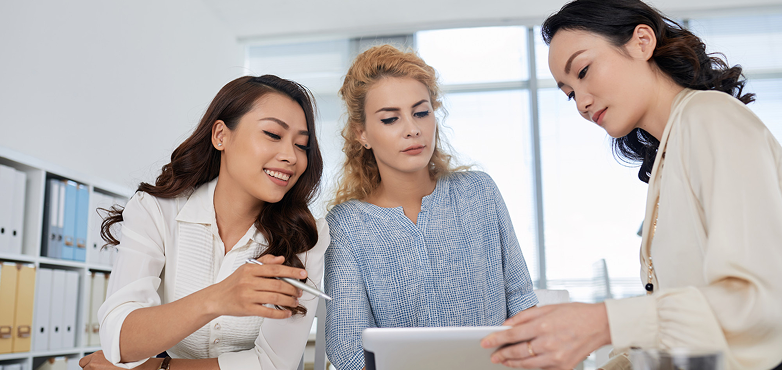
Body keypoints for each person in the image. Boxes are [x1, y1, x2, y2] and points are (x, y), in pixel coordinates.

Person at [480, 1, 782, 369]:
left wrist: (603, 322)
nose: (582, 103)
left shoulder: (711, 118)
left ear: (641, 42)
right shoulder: (668, 157)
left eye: (584, 70)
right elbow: (682, 338)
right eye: (570, 93)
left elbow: (762, 302)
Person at [78, 75, 329, 370]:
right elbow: (119, 339)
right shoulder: (157, 210)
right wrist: (217, 299)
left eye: (302, 145)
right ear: (221, 135)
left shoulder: (306, 235)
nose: (290, 156)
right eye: (273, 134)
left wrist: (156, 368)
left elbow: (273, 364)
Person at [323, 44, 538, 370]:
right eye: (391, 118)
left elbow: (521, 301)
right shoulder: (346, 226)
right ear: (362, 133)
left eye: (421, 112)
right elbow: (349, 349)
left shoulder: (479, 194)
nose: (413, 129)